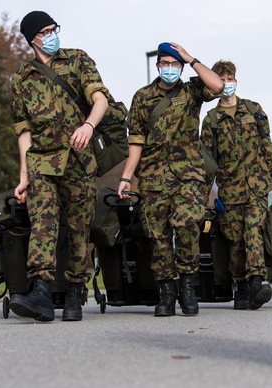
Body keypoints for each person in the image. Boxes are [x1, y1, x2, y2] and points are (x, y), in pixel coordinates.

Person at [9, 11, 109, 322]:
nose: (52, 35)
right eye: (46, 31)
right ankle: (40, 289)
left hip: (79, 160)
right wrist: (24, 175)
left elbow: (100, 99)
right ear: (32, 39)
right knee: (43, 222)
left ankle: (75, 292)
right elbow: (24, 131)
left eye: (54, 29)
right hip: (42, 162)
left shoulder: (77, 60)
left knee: (80, 228)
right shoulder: (22, 80)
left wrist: (89, 126)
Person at [118, 42, 223, 317]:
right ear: (157, 66)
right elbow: (136, 143)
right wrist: (126, 177)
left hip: (187, 174)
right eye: (165, 63)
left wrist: (191, 59)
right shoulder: (142, 97)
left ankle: (187, 286)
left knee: (187, 225)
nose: (169, 68)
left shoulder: (191, 90)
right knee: (157, 235)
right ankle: (166, 291)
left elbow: (218, 86)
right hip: (153, 177)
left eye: (174, 64)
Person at [200, 60, 272, 310]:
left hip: (257, 185)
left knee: (254, 232)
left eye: (230, 78)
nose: (227, 84)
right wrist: (202, 195)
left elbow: (267, 144)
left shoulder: (254, 110)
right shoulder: (211, 120)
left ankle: (257, 281)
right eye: (221, 80)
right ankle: (242, 286)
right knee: (235, 239)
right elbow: (208, 161)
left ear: (236, 80)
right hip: (230, 189)